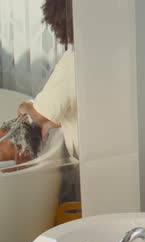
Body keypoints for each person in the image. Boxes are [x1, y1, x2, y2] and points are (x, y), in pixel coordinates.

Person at [17, 0, 78, 159]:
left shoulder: (72, 63)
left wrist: (26, 106)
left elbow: (40, 115)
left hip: (90, 163)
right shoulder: (115, 52)